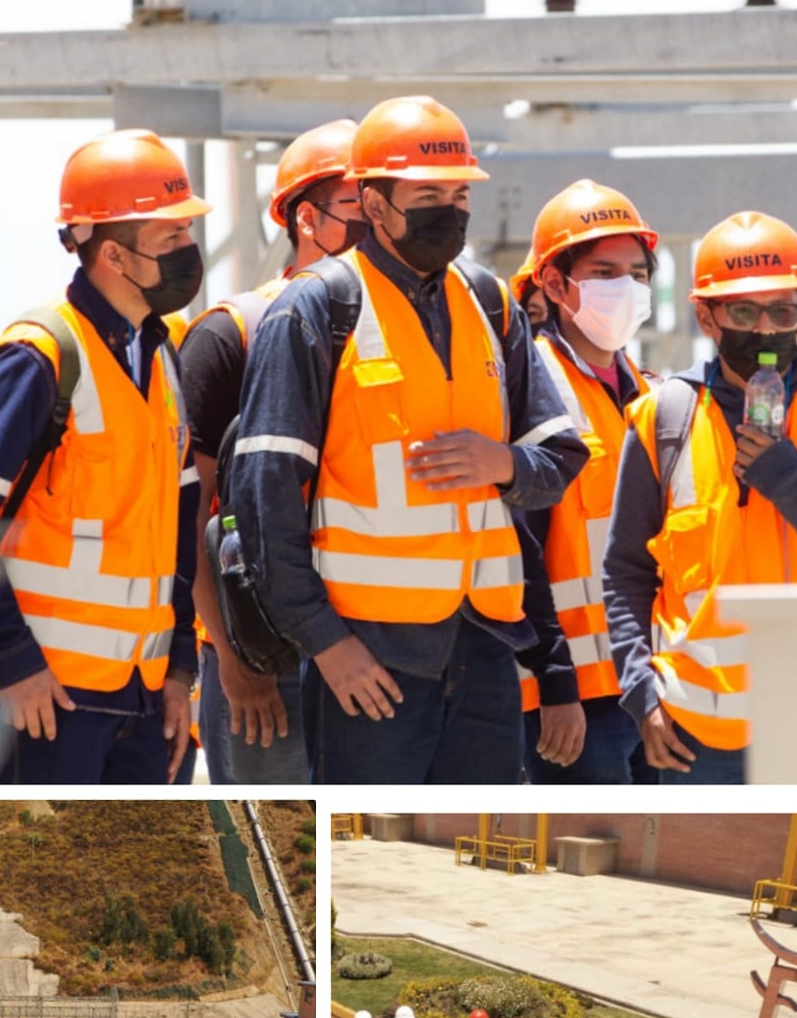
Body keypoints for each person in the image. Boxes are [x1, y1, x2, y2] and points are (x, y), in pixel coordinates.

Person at [228, 94, 590, 783]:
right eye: (427, 193)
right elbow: (262, 495)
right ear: (372, 201)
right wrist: (326, 645)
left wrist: (504, 462)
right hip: (369, 656)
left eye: (459, 194)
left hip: (484, 648)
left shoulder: (490, 304)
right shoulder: (314, 309)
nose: (449, 210)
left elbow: (560, 457)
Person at [603, 210, 797, 783]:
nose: (766, 329)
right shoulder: (660, 420)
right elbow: (625, 572)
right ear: (706, 316)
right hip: (694, 738)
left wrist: (789, 482)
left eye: (782, 311)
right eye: (744, 311)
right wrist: (641, 696)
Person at [0, 130, 206, 785]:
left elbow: (174, 533)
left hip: (143, 703)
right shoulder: (41, 357)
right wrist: (12, 662)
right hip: (48, 704)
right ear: (112, 254)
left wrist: (177, 667)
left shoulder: (165, 357)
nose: (187, 251)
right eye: (169, 237)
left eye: (185, 233)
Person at [179, 118, 361, 784]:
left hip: (374, 651)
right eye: (356, 204)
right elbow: (190, 515)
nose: (375, 219)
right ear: (306, 217)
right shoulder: (232, 337)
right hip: (265, 660)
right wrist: (231, 659)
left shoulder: (400, 347)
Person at [513, 181, 662, 783]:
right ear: (553, 282)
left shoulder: (649, 395)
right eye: (604, 271)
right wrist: (555, 683)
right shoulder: (531, 390)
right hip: (572, 700)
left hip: (646, 686)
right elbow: (519, 551)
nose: (624, 287)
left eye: (636, 272)